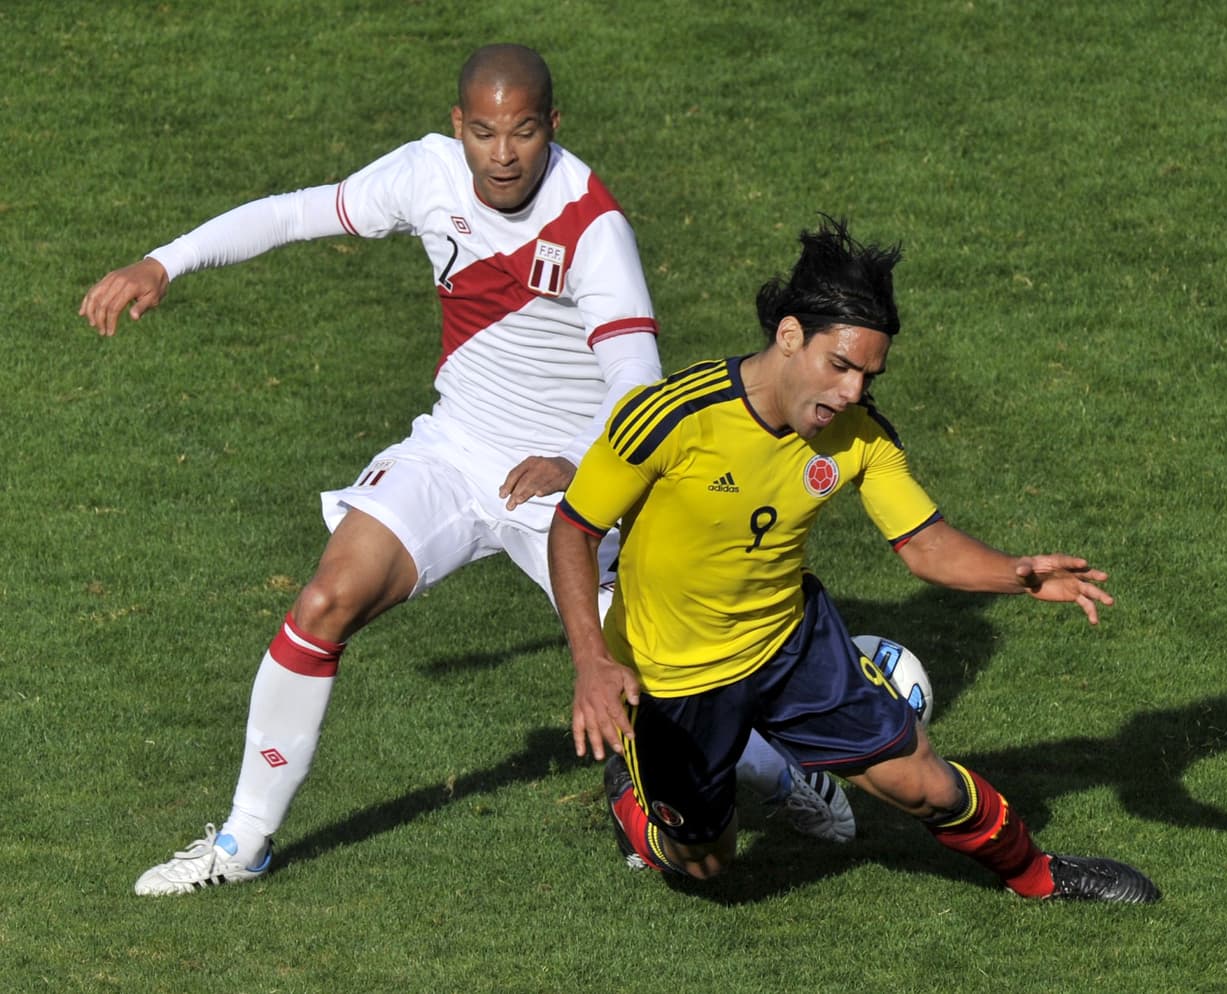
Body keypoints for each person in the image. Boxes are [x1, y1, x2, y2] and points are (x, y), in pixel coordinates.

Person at [80, 45, 852, 896]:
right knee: (325, 600)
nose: (504, 153)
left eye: (523, 131)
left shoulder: (592, 229)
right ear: (460, 128)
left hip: (566, 489)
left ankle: (788, 776)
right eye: (484, 133)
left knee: (649, 684)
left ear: (553, 126)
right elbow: (299, 213)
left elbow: (640, 388)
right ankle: (242, 843)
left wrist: (576, 463)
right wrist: (163, 261)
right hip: (453, 452)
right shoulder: (426, 176)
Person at [548, 216, 1160, 902]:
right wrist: (593, 662)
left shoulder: (859, 436)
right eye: (839, 367)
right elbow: (572, 528)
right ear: (788, 337)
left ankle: (1040, 876)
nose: (851, 393)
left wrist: (1015, 574)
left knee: (923, 783)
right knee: (705, 862)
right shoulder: (670, 417)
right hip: (673, 676)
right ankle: (632, 797)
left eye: (868, 375)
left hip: (790, 644)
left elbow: (924, 543)